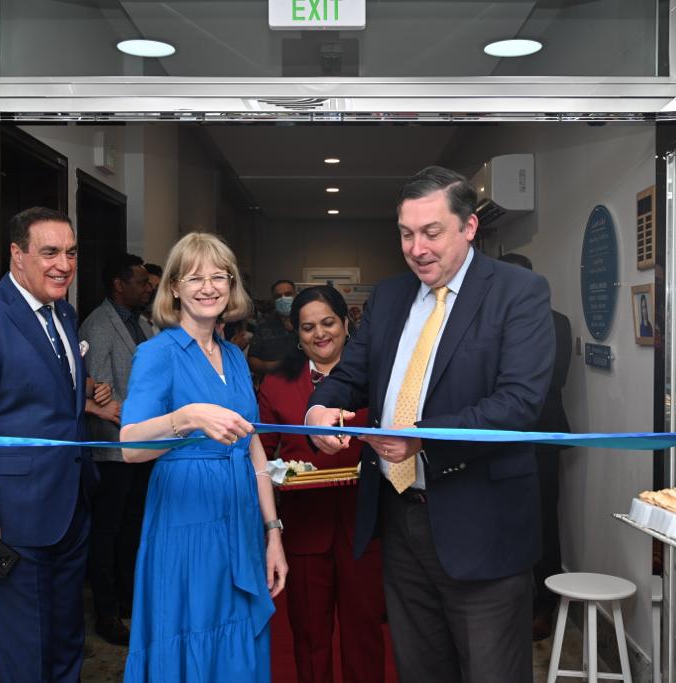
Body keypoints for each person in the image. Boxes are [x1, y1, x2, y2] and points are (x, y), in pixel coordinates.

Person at [307, 165, 555, 682]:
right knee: (420, 669)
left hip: (482, 525)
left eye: (431, 232)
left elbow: (519, 403)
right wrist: (318, 409)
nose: (416, 248)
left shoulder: (519, 292)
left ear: (468, 227)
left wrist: (421, 439)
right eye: (405, 233)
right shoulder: (392, 297)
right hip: (401, 523)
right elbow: (348, 376)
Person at [118, 232, 287, 681]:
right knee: (189, 630)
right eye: (194, 277)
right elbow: (131, 446)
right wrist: (186, 417)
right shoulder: (156, 354)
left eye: (219, 277)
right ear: (173, 287)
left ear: (231, 286)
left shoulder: (234, 356)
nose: (208, 287)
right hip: (185, 525)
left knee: (237, 639)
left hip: (241, 520)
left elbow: (254, 451)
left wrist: (273, 533)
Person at [0, 207, 98, 682]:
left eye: (70, 252)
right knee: (27, 660)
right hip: (13, 524)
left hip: (71, 511)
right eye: (49, 252)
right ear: (17, 255)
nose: (64, 264)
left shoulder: (65, 314)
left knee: (67, 645)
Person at [258, 285, 386, 683]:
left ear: (347, 324)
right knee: (309, 632)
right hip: (305, 525)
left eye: (328, 323)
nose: (320, 334)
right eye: (308, 327)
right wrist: (280, 473)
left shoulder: (376, 378)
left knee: (364, 630)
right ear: (296, 333)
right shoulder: (276, 384)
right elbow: (261, 452)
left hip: (365, 522)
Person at [79, 252, 156, 646]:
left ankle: (129, 601)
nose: (148, 288)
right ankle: (107, 613)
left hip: (142, 446)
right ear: (118, 285)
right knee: (107, 532)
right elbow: (103, 394)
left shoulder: (142, 323)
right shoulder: (99, 324)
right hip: (112, 448)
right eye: (141, 282)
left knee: (133, 527)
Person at [498, 252, 572, 641]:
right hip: (497, 439)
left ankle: (544, 604)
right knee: (502, 520)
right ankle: (508, 601)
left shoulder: (555, 323)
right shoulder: (488, 322)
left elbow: (549, 380)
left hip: (541, 435)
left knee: (544, 521)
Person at [247, 278, 298, 376]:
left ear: (295, 296)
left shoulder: (306, 322)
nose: (283, 299)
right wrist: (270, 366)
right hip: (272, 381)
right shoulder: (264, 325)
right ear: (273, 300)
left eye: (288, 294)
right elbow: (252, 360)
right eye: (278, 296)